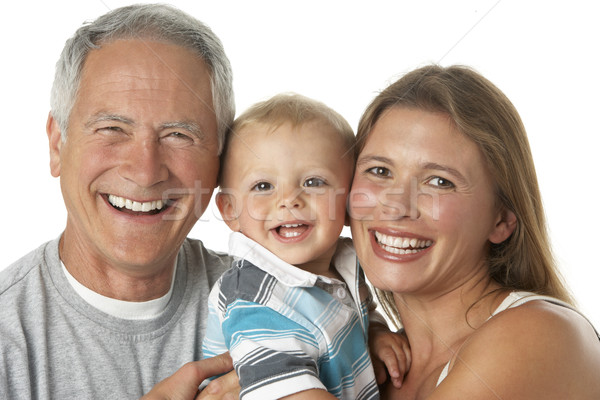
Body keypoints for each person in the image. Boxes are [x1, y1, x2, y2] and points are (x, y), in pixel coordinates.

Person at [0, 4, 238, 399]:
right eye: (112, 128)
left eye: (179, 135)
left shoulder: (271, 297)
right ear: (58, 144)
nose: (145, 172)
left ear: (221, 160)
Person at [349, 64, 600, 399]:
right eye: (379, 170)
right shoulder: (368, 365)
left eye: (439, 181)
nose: (395, 206)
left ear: (502, 219)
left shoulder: (537, 333)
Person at [201, 93, 408, 399]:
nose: (288, 199)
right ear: (230, 209)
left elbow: (353, 315)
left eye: (314, 182)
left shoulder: (346, 261)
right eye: (263, 186)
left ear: (351, 198)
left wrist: (373, 333)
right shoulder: (252, 295)